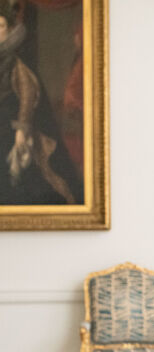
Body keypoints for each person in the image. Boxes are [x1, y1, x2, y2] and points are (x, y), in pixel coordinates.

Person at [0, 0, 80, 205]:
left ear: (9, 29)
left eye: (0, 26)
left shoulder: (15, 61)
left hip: (12, 128)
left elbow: (27, 95)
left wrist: (21, 130)